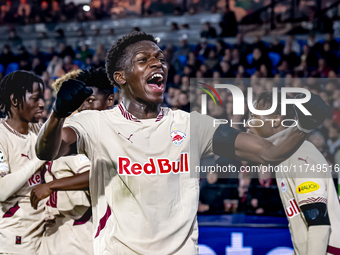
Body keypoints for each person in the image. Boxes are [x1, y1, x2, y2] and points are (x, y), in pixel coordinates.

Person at [35, 32, 330, 254]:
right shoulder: (95, 123)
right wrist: (57, 116)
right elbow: (47, 150)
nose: (157, 63)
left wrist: (303, 124)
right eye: (144, 59)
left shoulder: (192, 125)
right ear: (120, 77)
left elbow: (268, 152)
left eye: (161, 59)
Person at [30, 68, 115, 255]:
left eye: (89, 100)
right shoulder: (70, 131)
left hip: (83, 229)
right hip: (58, 229)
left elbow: (97, 173)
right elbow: (49, 150)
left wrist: (52, 185)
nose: (83, 107)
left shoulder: (106, 133)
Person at [246, 91, 340, 255]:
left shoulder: (299, 155)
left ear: (276, 120)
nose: (247, 123)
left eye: (254, 116)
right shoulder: (284, 157)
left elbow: (319, 222)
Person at [0, 71, 46, 254]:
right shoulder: (2, 135)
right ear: (15, 100)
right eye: (35, 99)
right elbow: (1, 190)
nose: (42, 104)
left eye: (42, 98)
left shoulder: (38, 129)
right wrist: (40, 157)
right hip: (16, 238)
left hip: (45, 233)